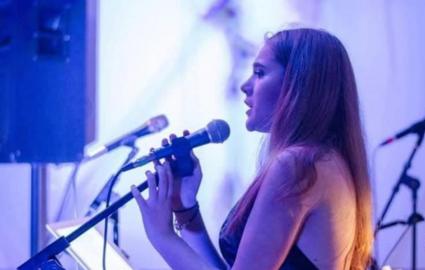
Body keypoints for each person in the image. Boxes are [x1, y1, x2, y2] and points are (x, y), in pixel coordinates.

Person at [131, 28, 373, 270]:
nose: (245, 86)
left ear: (299, 84)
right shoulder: (325, 160)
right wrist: (184, 207)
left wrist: (162, 236)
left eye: (260, 72)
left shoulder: (297, 165)